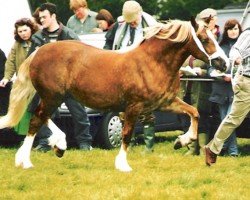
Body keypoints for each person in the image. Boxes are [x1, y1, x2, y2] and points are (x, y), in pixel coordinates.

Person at [29, 2, 92, 151]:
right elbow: (31, 60)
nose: (42, 20)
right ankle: (45, 142)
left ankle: (85, 143)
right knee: (42, 114)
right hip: (49, 87)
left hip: (70, 86)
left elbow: (83, 60)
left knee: (79, 114)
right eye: (40, 17)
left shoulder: (69, 35)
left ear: (53, 16)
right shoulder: (37, 38)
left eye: (44, 17)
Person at [104, 0, 157, 152]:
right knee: (124, 110)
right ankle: (129, 143)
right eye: (129, 22)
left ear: (139, 14)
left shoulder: (152, 26)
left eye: (133, 21)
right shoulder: (120, 26)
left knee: (146, 110)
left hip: (144, 73)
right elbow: (108, 44)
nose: (131, 24)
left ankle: (149, 147)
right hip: (123, 72)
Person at [205, 26, 250, 166]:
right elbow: (234, 50)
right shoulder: (248, 34)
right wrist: (236, 58)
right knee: (234, 119)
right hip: (247, 81)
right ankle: (213, 148)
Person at [181, 8, 221, 155]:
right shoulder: (194, 39)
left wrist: (202, 72)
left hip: (205, 87)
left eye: (208, 19)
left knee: (203, 116)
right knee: (187, 116)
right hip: (187, 86)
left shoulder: (216, 38)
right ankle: (191, 149)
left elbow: (215, 64)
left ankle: (204, 148)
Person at [208, 19, 242, 157]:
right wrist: (221, 76)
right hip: (221, 90)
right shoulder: (219, 47)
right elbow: (211, 67)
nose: (233, 31)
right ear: (226, 31)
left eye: (236, 29)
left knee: (229, 120)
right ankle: (225, 148)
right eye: (230, 29)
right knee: (225, 121)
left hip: (238, 89)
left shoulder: (245, 46)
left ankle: (231, 151)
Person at [0, 18, 37, 134]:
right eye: (20, 32)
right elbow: (10, 61)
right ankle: (23, 136)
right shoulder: (17, 44)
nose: (23, 34)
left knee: (35, 110)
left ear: (31, 29)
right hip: (23, 82)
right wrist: (6, 78)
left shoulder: (38, 42)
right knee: (23, 110)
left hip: (38, 83)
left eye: (25, 30)